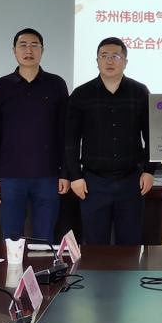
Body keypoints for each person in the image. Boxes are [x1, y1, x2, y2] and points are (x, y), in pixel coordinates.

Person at [65, 37, 155, 245]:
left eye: (115, 56)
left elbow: (151, 134)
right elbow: (71, 139)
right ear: (97, 61)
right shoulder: (82, 94)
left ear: (125, 61)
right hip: (93, 183)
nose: (109, 61)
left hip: (131, 181)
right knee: (95, 246)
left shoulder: (139, 92)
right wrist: (75, 176)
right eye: (104, 56)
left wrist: (149, 170)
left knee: (130, 246)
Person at [0, 28, 69, 242]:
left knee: (45, 239)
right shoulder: (2, 86)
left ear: (42, 50)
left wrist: (65, 172)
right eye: (23, 45)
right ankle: (13, 267)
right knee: (11, 239)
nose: (28, 50)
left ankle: (44, 267)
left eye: (34, 45)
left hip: (48, 175)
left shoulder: (56, 84)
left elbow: (65, 132)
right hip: (11, 176)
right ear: (14, 51)